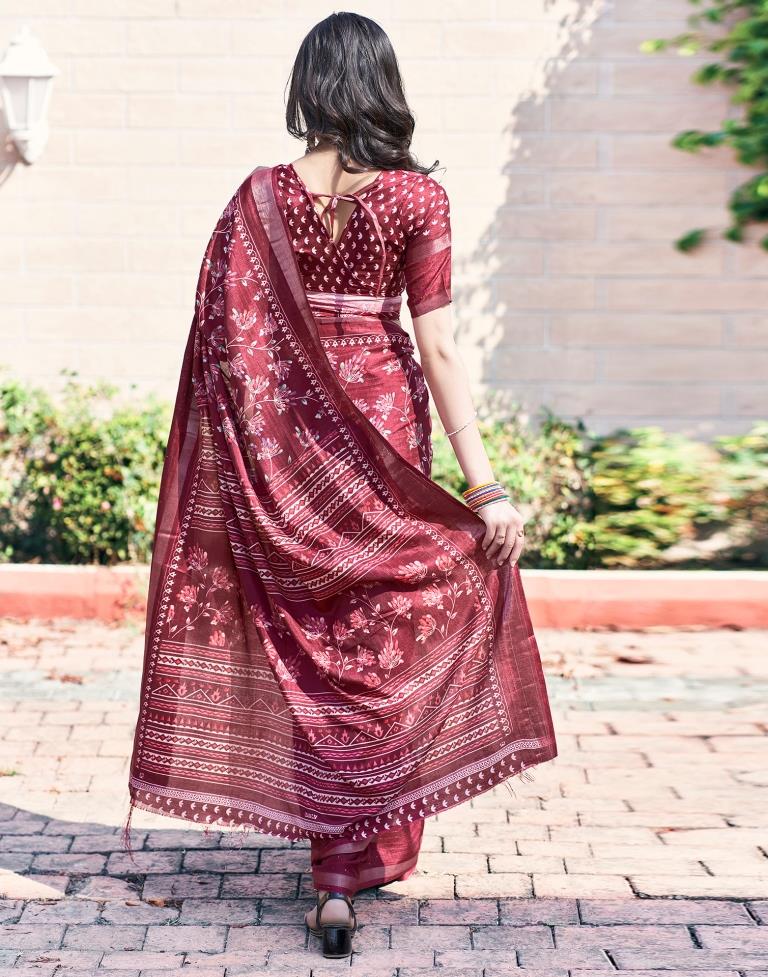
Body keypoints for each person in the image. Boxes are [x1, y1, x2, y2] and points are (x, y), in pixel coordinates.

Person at [124, 11, 557, 960]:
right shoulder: (415, 201)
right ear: (382, 86)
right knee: (377, 627)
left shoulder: (258, 198)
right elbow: (438, 346)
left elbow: (224, 350)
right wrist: (485, 491)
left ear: (309, 88)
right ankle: (349, 853)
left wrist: (255, 451)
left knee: (310, 633)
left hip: (287, 443)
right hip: (383, 430)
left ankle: (336, 858)